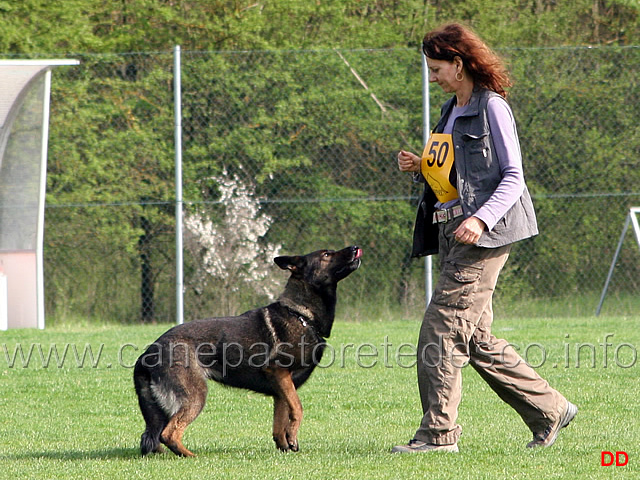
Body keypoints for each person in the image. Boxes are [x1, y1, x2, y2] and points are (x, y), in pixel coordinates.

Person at [392, 23, 577, 454]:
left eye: (437, 68)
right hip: (455, 230)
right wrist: (420, 164)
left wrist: (481, 220)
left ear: (459, 64)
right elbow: (460, 172)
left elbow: (513, 178)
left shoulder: (493, 107)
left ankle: (439, 436)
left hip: (485, 235)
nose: (431, 77)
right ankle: (551, 410)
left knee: (440, 330)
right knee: (474, 337)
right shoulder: (450, 109)